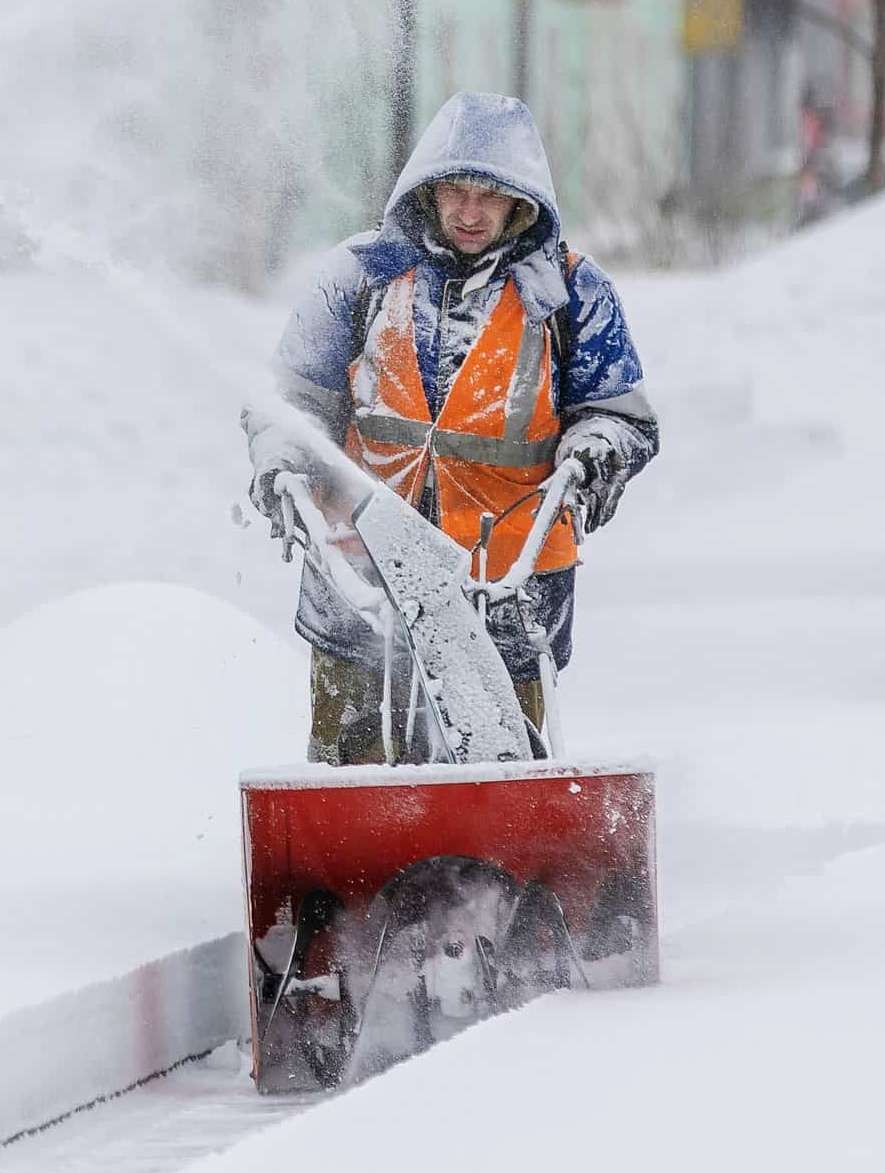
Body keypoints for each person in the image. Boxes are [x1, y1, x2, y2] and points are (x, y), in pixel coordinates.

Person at [244, 91, 658, 765]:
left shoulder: (570, 295)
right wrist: (283, 462)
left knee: (500, 772)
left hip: (505, 590)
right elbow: (291, 399)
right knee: (355, 770)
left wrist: (595, 453)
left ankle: (500, 873)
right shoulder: (361, 275)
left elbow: (617, 412)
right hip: (363, 581)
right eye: (456, 191)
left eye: (490, 195)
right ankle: (348, 870)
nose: (470, 212)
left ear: (521, 201)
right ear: (429, 190)